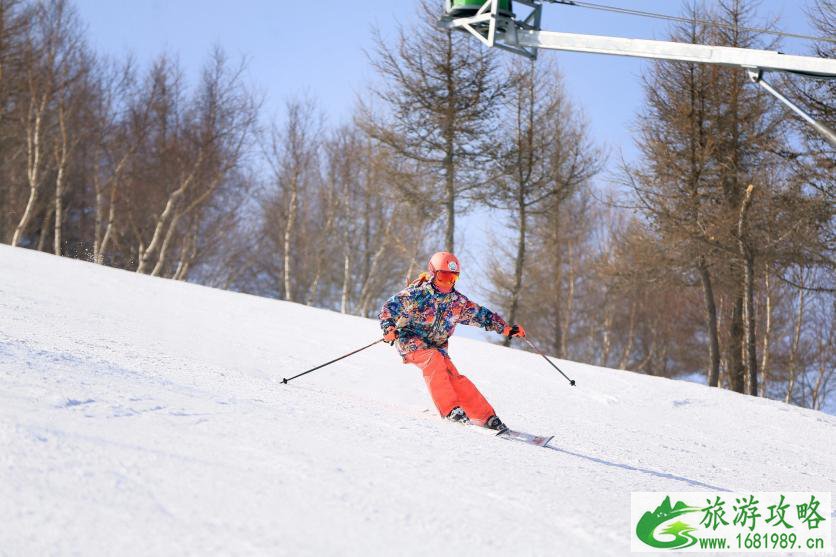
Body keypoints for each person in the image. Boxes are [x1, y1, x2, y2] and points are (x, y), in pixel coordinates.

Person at [378, 251, 526, 431]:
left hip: (437, 347)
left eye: (452, 278)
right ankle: (450, 410)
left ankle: (486, 416)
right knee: (434, 360)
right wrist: (388, 328)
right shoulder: (417, 293)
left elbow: (482, 316)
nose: (447, 283)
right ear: (433, 274)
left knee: (454, 377)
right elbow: (389, 308)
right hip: (410, 341)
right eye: (443, 277)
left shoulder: (458, 302)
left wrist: (507, 329)